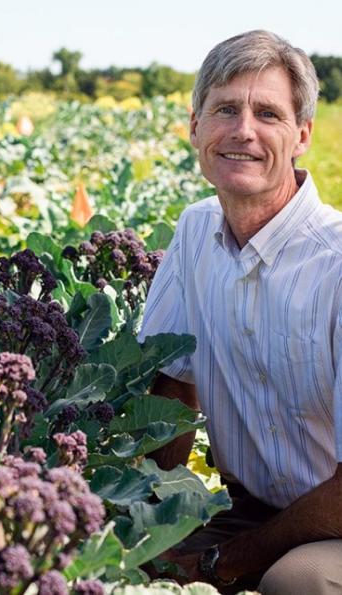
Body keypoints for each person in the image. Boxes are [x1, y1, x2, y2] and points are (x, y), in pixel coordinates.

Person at [138, 30, 342, 594]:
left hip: (334, 524)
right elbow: (171, 386)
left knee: (296, 582)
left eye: (268, 113)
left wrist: (219, 560)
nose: (243, 131)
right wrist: (153, 520)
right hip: (251, 509)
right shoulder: (195, 230)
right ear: (195, 126)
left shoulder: (337, 266)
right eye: (225, 109)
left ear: (301, 136)